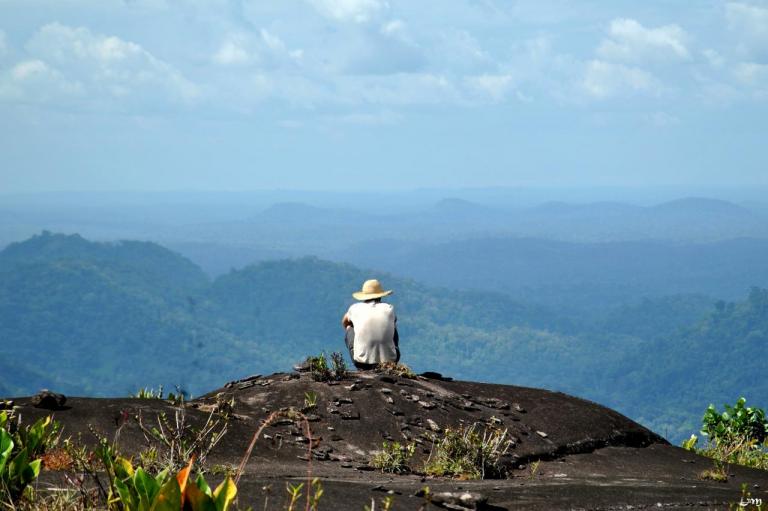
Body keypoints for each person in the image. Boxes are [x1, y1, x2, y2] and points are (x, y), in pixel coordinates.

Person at [342, 279, 400, 370]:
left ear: (364, 296)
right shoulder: (389, 308)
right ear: (380, 296)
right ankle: (390, 352)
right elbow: (394, 321)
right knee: (393, 325)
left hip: (362, 363)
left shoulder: (355, 308)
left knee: (350, 328)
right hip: (390, 362)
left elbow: (345, 322)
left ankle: (361, 355)